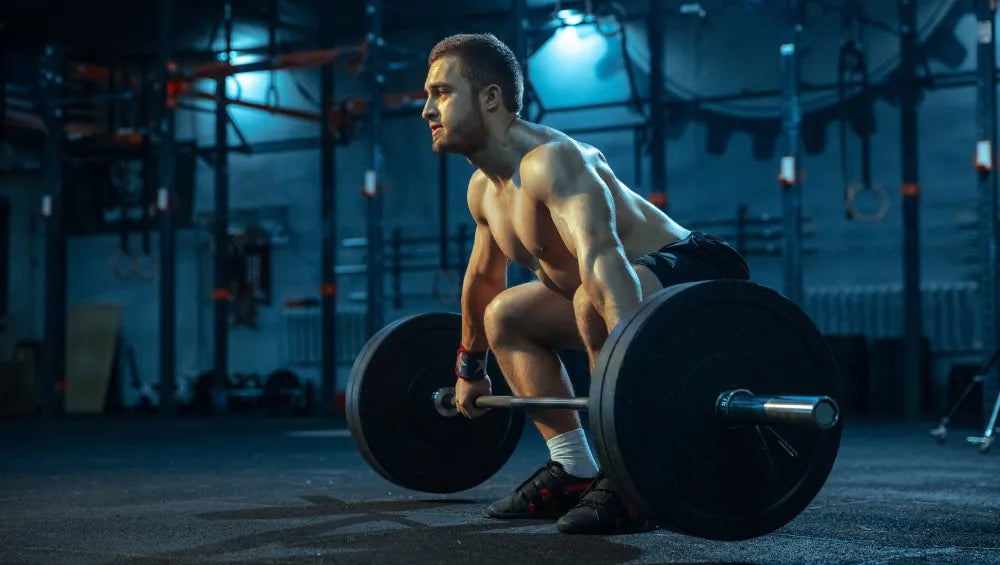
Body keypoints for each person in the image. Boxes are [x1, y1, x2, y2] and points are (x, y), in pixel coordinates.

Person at [422, 33, 750, 534]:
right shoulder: (483, 191)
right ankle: (574, 466)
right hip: (618, 296)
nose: (427, 110)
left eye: (441, 93)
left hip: (699, 274)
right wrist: (470, 367)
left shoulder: (553, 160)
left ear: (490, 97)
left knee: (589, 298)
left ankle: (637, 474)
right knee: (504, 316)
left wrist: (628, 368)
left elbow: (603, 258)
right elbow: (484, 278)